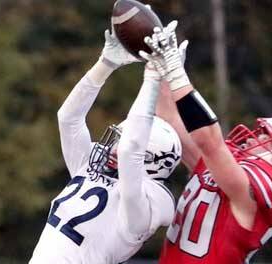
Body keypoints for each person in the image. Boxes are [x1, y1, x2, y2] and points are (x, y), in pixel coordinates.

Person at [140, 22, 272, 263]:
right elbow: (170, 119)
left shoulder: (258, 195)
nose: (255, 138)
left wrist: (176, 73)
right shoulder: (222, 175)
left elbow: (209, 142)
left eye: (268, 141)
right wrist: (161, 71)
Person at [29, 27, 183, 264]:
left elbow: (130, 150)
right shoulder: (93, 168)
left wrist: (152, 77)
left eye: (123, 141)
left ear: (152, 161)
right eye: (117, 139)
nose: (112, 149)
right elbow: (68, 118)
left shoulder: (146, 204)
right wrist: (105, 64)